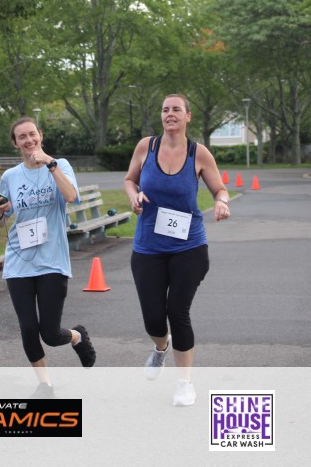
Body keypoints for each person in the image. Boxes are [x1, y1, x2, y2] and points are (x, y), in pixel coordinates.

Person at [123, 94, 230, 407]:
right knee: (153, 319)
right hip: (148, 247)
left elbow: (220, 189)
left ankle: (184, 383)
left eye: (176, 110)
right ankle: (161, 347)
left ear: (188, 116)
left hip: (189, 246)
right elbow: (129, 180)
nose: (170, 114)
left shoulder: (199, 153)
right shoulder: (146, 147)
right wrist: (133, 196)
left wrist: (222, 202)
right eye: (165, 110)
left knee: (178, 312)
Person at [0, 117, 95, 397]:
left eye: (32, 134)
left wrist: (50, 164)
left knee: (50, 333)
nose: (29, 140)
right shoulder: (10, 176)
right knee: (28, 328)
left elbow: (71, 196)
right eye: (22, 137)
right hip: (19, 261)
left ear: (41, 136)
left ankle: (77, 336)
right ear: (15, 143)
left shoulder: (60, 165)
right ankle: (45, 384)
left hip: (52, 261)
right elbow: (2, 218)